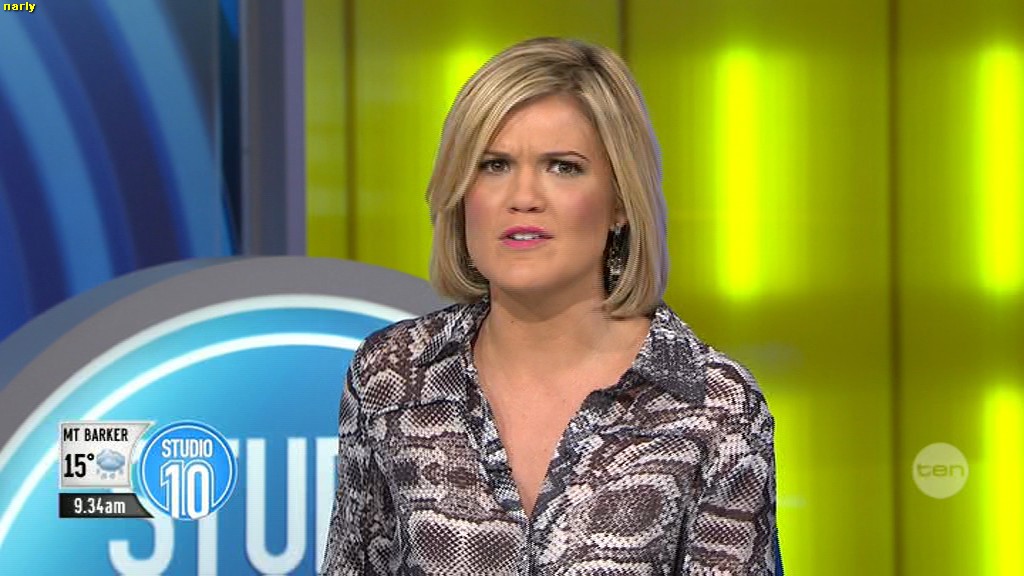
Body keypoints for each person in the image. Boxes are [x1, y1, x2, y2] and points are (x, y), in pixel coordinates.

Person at [322, 37, 777, 575]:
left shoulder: (713, 403)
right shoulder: (393, 375)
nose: (524, 197)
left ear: (620, 202)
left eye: (563, 167)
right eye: (494, 165)